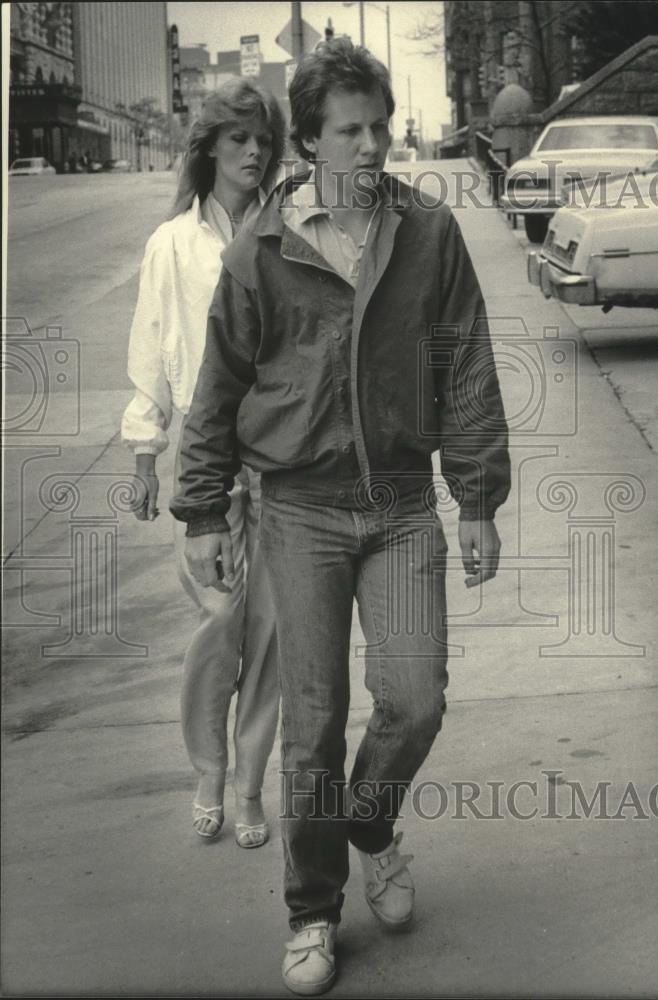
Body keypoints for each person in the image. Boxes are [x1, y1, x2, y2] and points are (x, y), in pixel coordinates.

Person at [170, 39, 510, 994]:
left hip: (402, 504)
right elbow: (218, 385)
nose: (372, 148)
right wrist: (202, 507)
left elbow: (466, 364)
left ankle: (370, 825)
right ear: (311, 142)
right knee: (311, 725)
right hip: (300, 513)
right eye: (350, 132)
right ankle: (313, 911)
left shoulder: (428, 232)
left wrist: (477, 496)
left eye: (381, 128)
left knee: (415, 700)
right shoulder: (261, 250)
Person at [121, 79, 285, 849]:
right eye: (238, 139)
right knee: (220, 617)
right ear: (209, 149)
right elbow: (152, 346)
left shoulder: (291, 230)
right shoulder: (172, 244)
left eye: (263, 140)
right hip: (205, 450)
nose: (253, 152)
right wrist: (143, 451)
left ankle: (250, 784)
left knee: (274, 624)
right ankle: (208, 767)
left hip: (282, 447)